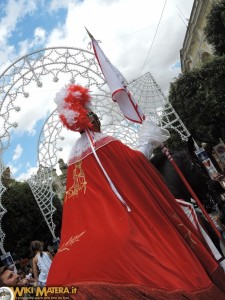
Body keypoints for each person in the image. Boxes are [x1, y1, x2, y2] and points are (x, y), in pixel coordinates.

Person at [47, 84, 225, 299]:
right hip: (122, 218)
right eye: (96, 118)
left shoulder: (74, 159)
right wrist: (147, 139)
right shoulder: (103, 143)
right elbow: (136, 162)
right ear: (92, 120)